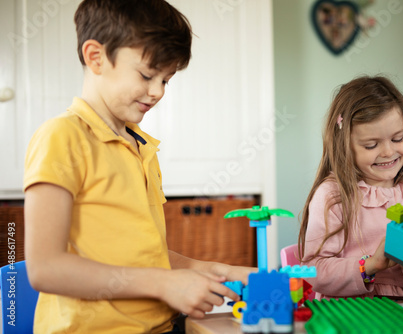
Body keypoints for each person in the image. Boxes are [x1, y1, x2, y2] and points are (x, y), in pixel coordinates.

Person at [23, 1, 253, 333]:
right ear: (96, 57)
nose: (158, 91)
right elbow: (45, 268)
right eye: (147, 75)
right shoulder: (62, 137)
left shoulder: (141, 146)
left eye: (167, 80)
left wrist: (217, 269)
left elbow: (146, 257)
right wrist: (163, 284)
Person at [298, 75, 403, 299]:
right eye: (371, 145)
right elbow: (313, 271)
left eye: (397, 139)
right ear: (345, 145)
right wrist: (370, 266)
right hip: (348, 309)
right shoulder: (332, 195)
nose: (388, 152)